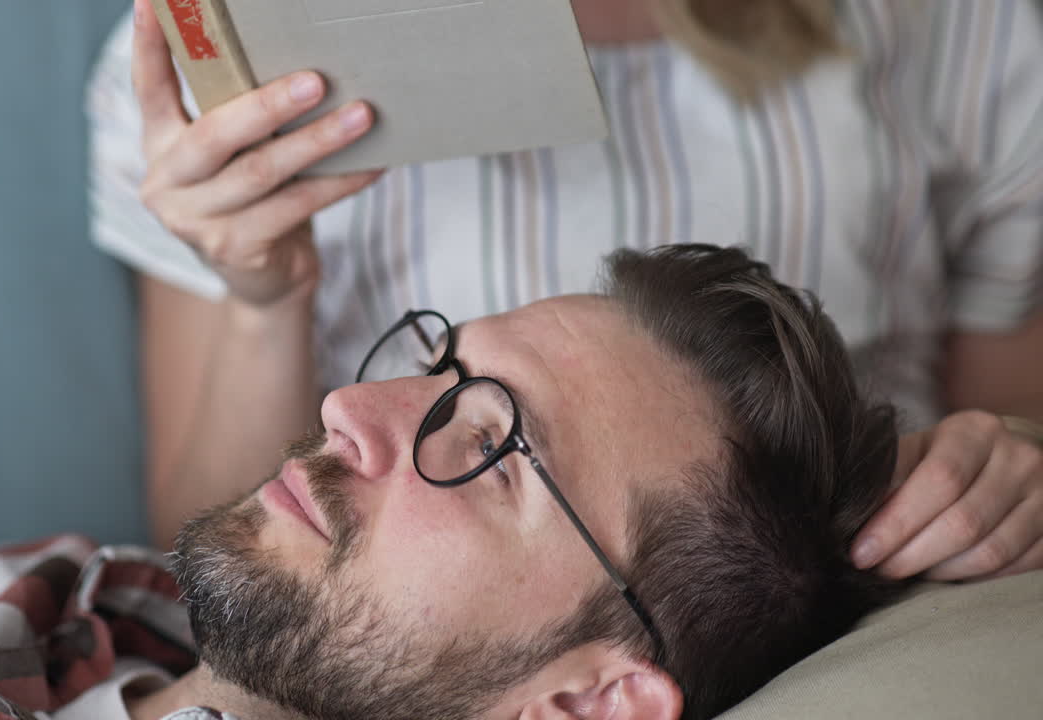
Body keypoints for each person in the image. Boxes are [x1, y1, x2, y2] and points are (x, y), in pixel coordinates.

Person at [88, 0, 1043, 584]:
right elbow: (206, 554)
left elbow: (1006, 416)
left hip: (858, 611)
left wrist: (1005, 470)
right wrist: (265, 301)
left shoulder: (956, 28)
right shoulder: (223, 63)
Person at [0, 246, 916, 719]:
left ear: (583, 706)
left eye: (490, 449)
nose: (347, 410)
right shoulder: (79, 596)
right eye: (439, 370)